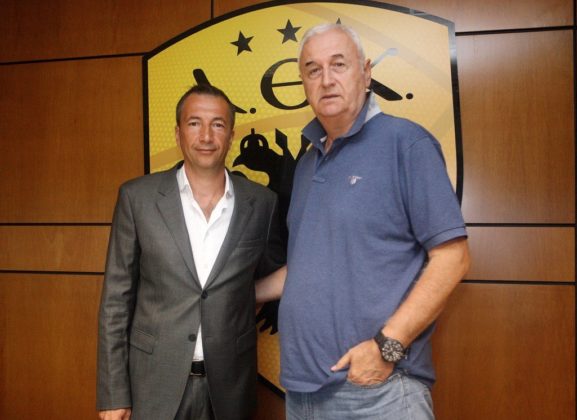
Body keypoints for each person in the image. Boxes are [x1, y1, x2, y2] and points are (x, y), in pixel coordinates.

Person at [257, 23, 470, 419]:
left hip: (377, 391)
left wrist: (387, 347)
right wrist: (240, 293)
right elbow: (306, 267)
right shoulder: (306, 165)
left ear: (366, 72)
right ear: (303, 82)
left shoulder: (406, 143)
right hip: (302, 391)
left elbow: (452, 257)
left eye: (339, 64)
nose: (326, 79)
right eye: (313, 69)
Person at [97, 84, 284, 420]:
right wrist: (113, 393)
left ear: (231, 135)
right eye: (195, 123)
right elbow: (115, 302)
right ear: (178, 133)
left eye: (218, 124)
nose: (206, 136)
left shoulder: (262, 204)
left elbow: (268, 279)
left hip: (231, 389)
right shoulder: (137, 198)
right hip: (152, 386)